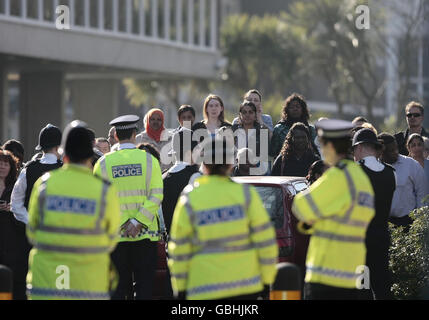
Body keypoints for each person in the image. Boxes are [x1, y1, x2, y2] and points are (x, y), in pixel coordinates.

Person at [168, 138, 278, 300]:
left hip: (203, 288)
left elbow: (179, 249)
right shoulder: (246, 195)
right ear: (231, 164)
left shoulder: (189, 198)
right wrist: (267, 280)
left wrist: (181, 288)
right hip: (246, 286)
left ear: (203, 164)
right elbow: (266, 241)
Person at [26, 120, 120, 300]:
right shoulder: (104, 191)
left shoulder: (45, 185)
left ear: (64, 154)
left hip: (47, 287)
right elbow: (111, 239)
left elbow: (31, 232)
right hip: (89, 287)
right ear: (89, 156)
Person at [292, 119, 375, 300]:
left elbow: (300, 206)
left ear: (329, 146)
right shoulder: (361, 178)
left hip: (326, 274)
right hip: (351, 273)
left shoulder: (337, 177)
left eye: (321, 145)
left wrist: (315, 218)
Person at [94, 115, 164, 300]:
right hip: (145, 236)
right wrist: (138, 221)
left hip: (116, 237)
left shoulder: (102, 163)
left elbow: (99, 200)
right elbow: (156, 195)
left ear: (115, 136)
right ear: (135, 135)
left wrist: (124, 223)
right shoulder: (150, 160)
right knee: (144, 290)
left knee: (118, 291)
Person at [10, 124, 63, 300]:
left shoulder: (28, 170)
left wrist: (33, 222)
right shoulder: (65, 170)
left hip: (32, 239)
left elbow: (15, 204)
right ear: (57, 146)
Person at [352, 128, 395, 300]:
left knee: (362, 288)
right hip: (382, 237)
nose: (353, 153)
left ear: (360, 147)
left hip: (359, 240)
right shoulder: (391, 172)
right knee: (383, 287)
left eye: (354, 149)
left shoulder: (353, 172)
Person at [378, 133, 429, 228]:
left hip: (409, 221)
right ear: (381, 151)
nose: (395, 152)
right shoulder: (374, 167)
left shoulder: (411, 165)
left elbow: (422, 193)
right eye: (391, 150)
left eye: (396, 148)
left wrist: (419, 220)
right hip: (384, 223)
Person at [270, 93, 318, 159]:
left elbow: (316, 152)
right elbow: (272, 152)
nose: (295, 109)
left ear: (303, 109)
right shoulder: (279, 129)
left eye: (297, 106)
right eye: (292, 107)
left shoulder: (311, 129)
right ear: (287, 110)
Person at [0, 150, 20, 299]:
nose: (2, 166)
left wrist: (12, 208)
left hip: (10, 242)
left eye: (6, 163)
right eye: (0, 163)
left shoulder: (16, 187)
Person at [231, 101, 268, 175]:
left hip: (256, 170)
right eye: (244, 112)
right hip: (235, 170)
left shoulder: (261, 131)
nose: (247, 115)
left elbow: (263, 156)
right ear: (240, 115)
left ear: (255, 115)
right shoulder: (233, 130)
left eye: (250, 112)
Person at [136, 108, 173, 172]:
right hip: (147, 178)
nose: (155, 122)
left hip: (167, 178)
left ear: (163, 121)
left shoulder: (171, 138)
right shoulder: (139, 139)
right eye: (152, 119)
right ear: (148, 121)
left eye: (159, 119)